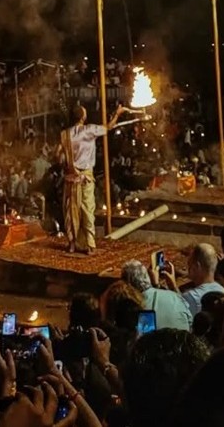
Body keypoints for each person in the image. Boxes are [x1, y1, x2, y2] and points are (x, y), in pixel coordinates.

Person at [56, 103, 126, 254]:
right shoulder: (89, 130)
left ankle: (72, 243)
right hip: (85, 177)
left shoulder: (65, 134)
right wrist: (117, 114)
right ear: (83, 117)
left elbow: (58, 155)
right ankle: (89, 245)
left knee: (71, 211)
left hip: (70, 178)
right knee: (87, 210)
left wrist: (69, 163)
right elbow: (109, 127)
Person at [121, 260, 192, 331]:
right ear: (147, 277)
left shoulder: (138, 309)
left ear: (128, 286)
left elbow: (144, 334)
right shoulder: (175, 296)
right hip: (186, 336)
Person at [180, 243, 224, 318]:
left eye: (189, 264)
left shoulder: (190, 297)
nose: (188, 269)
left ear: (197, 266)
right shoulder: (223, 292)